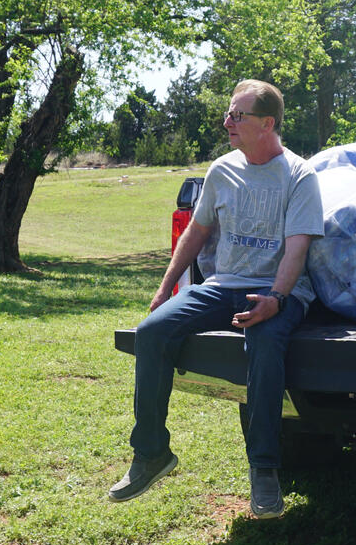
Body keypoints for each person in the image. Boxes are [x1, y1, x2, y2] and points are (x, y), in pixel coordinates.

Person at [108, 79, 324, 518]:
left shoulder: (299, 176)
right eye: (228, 113)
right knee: (151, 333)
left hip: (279, 291)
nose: (228, 122)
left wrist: (276, 298)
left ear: (267, 123)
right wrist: (166, 288)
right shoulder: (222, 170)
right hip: (222, 286)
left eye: (238, 115)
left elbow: (297, 249)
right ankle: (151, 453)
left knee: (264, 343)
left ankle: (264, 469)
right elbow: (196, 232)